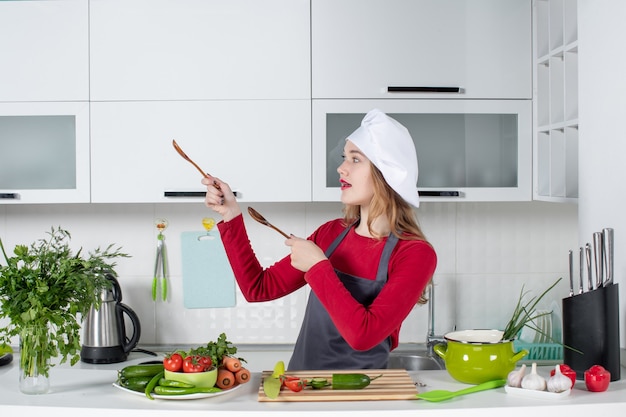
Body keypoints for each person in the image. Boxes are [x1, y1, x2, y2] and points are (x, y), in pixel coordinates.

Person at [202, 109, 437, 370]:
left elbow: (364, 335)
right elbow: (257, 288)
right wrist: (230, 214)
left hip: (364, 395)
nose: (341, 168)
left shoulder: (415, 253)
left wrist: (317, 267)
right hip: (302, 386)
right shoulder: (331, 234)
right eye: (344, 158)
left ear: (386, 173)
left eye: (355, 160)